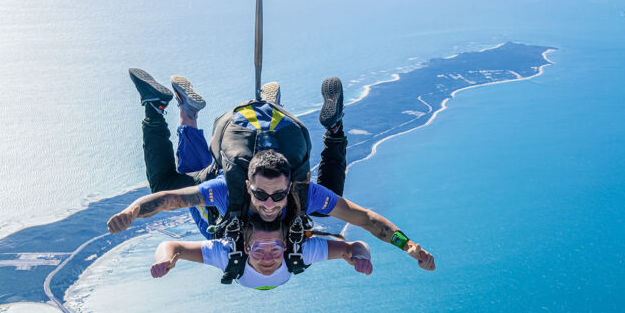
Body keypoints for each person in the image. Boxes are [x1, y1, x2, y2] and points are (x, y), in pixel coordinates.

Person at [108, 69, 436, 271]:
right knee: (329, 201)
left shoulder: (231, 195)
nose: (268, 203)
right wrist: (405, 245)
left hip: (221, 195)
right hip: (228, 182)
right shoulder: (299, 196)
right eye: (263, 195)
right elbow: (363, 220)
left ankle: (253, 111)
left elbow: (169, 201)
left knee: (177, 183)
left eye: (277, 195)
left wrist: (133, 212)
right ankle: (305, 121)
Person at [150, 215, 373, 290]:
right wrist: (165, 259)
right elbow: (170, 246)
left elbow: (354, 246)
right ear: (246, 249)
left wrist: (360, 255)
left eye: (275, 249)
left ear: (285, 245)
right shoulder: (225, 252)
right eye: (258, 250)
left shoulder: (226, 257)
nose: (268, 258)